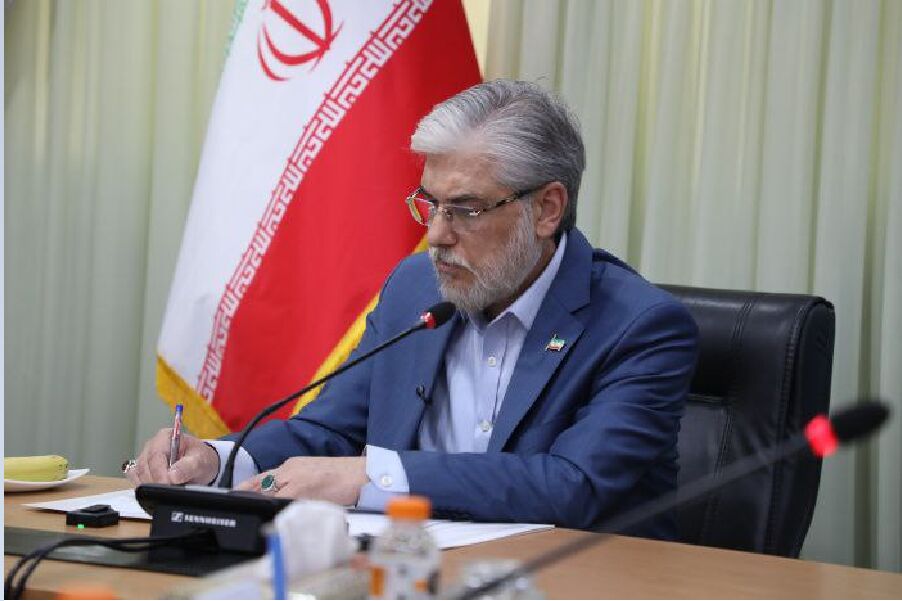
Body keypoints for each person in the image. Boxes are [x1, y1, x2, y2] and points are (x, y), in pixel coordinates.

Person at [128, 79, 698, 539]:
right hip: (409, 572)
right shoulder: (415, 287)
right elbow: (329, 430)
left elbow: (573, 487)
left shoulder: (640, 326)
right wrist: (218, 459)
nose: (436, 235)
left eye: (465, 210)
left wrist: (371, 477)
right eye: (430, 204)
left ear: (547, 209)